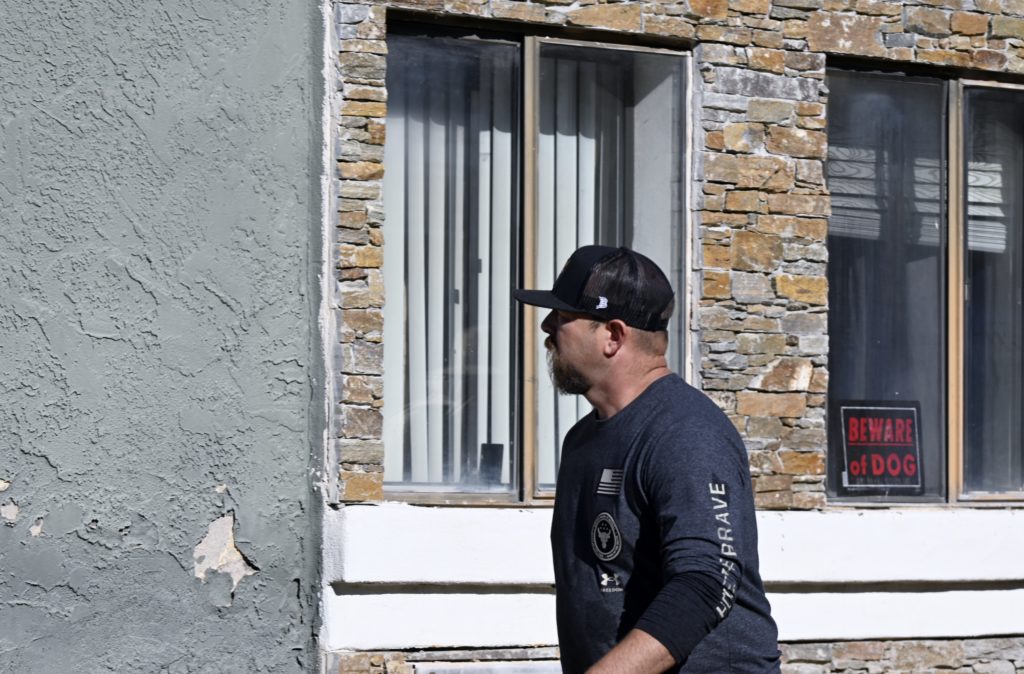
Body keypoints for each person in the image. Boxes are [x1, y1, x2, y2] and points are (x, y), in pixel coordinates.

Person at [514, 245, 781, 674]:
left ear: (613, 336)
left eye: (562, 317)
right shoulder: (582, 440)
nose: (547, 327)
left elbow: (705, 584)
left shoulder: (687, 433)